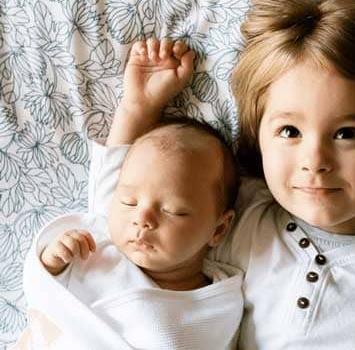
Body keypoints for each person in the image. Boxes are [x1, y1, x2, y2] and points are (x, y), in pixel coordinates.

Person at [87, 0, 355, 349]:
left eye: (347, 134)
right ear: (260, 144)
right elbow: (117, 219)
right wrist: (137, 111)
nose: (315, 159)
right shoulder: (240, 222)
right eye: (290, 132)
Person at [18, 40, 243, 350]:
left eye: (173, 210)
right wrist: (52, 262)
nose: (142, 218)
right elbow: (44, 296)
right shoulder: (97, 240)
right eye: (129, 202)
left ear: (218, 229)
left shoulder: (219, 305)